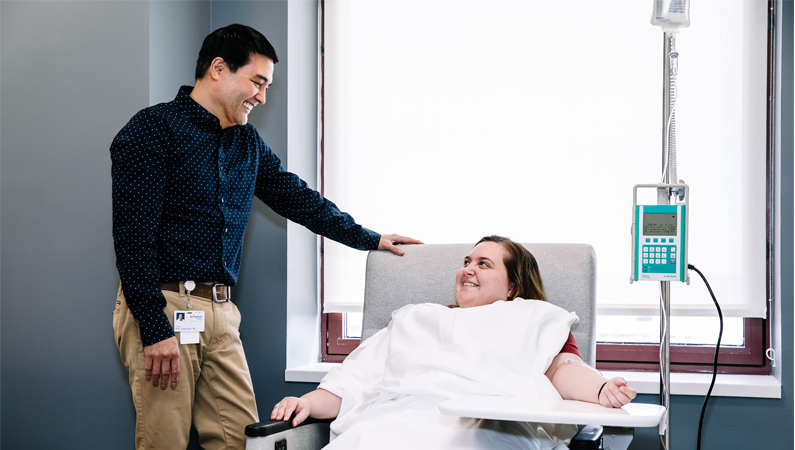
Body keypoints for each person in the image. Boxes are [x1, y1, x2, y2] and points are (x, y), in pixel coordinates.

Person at [111, 23, 421, 450]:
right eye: (257, 82)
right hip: (163, 306)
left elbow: (300, 200)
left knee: (244, 440)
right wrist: (152, 324)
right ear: (218, 69)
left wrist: (370, 238)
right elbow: (133, 236)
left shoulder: (247, 143)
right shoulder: (153, 129)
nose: (261, 96)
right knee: (164, 442)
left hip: (220, 312)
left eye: (266, 86)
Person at [271, 236, 636, 449]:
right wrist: (305, 402)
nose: (468, 269)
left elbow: (563, 369)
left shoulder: (531, 317)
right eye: (466, 261)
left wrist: (601, 389)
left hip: (483, 425)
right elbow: (353, 379)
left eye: (484, 264)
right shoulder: (416, 318)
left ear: (512, 287)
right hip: (393, 422)